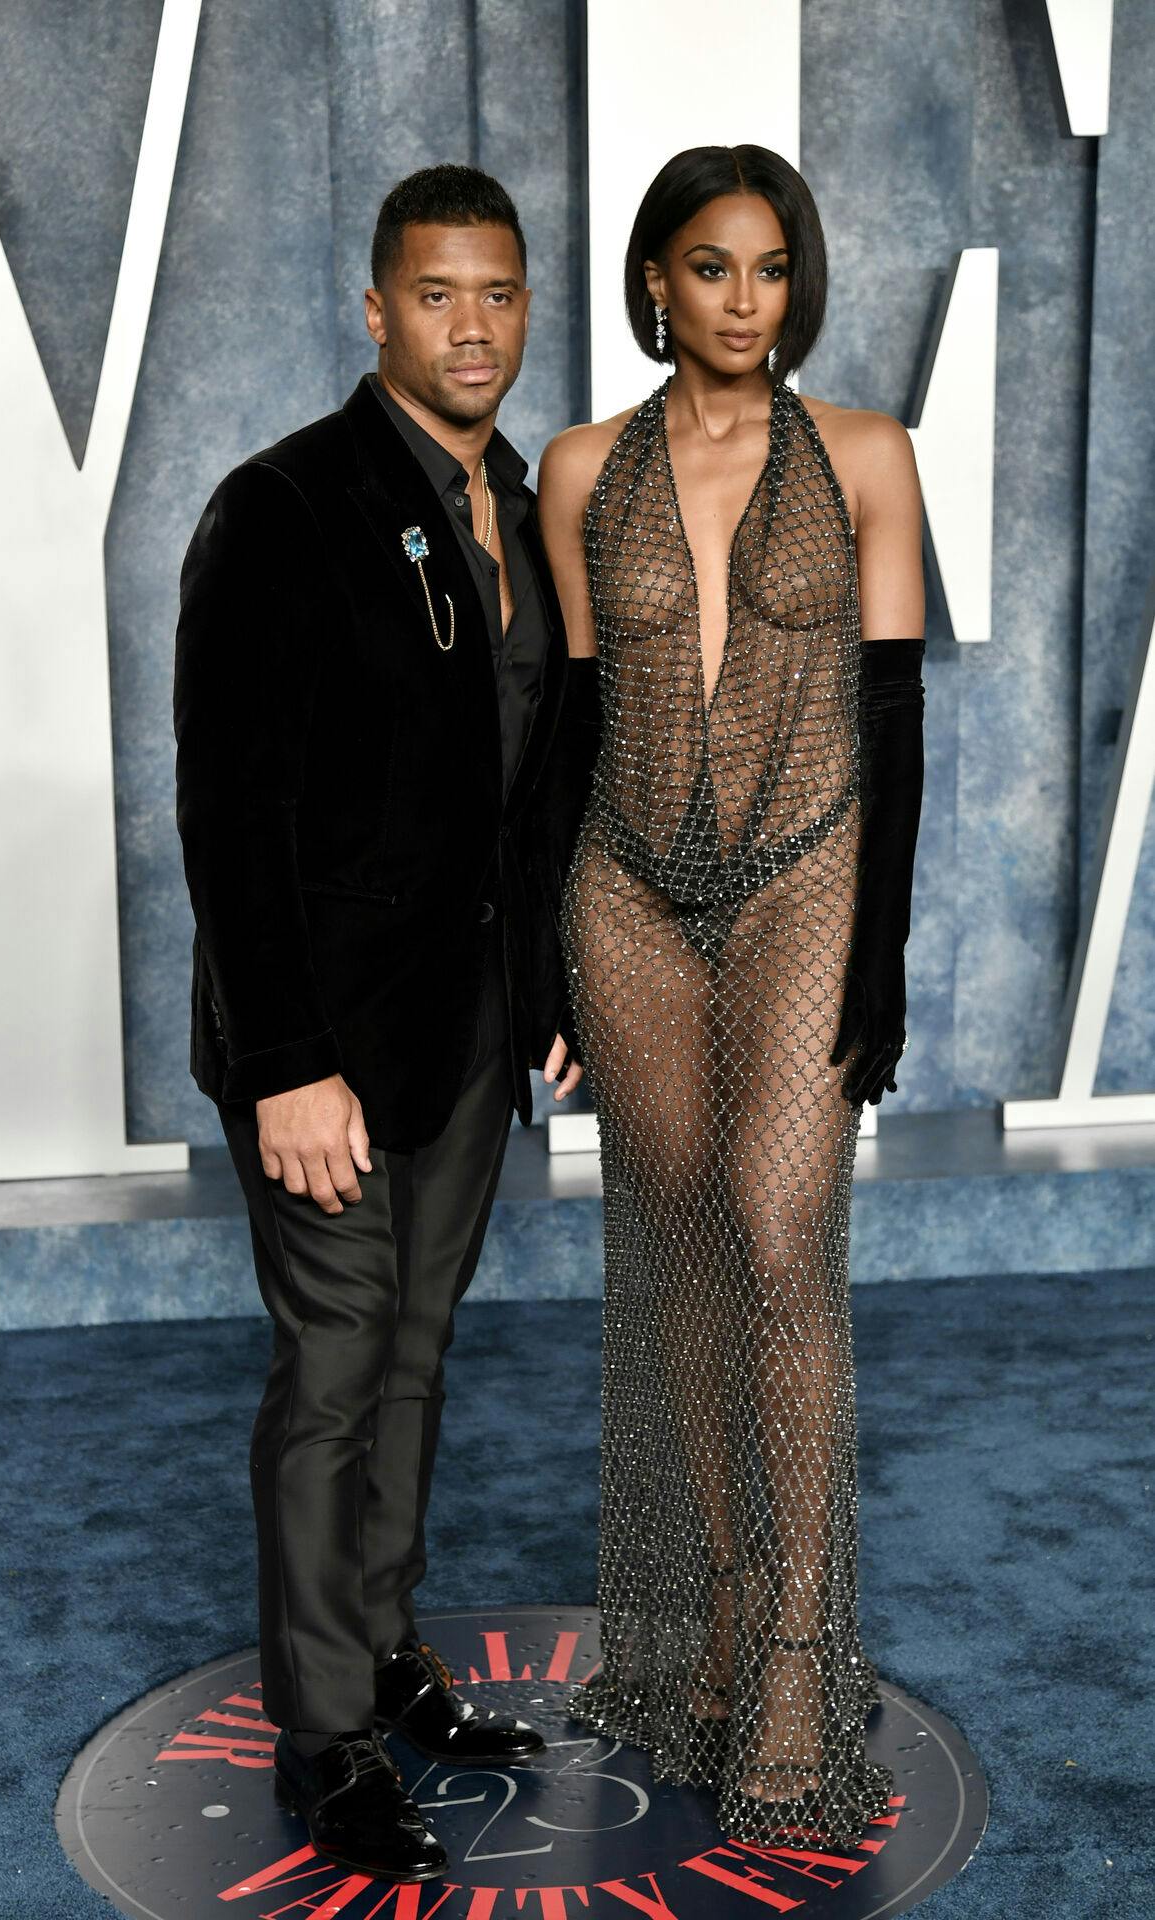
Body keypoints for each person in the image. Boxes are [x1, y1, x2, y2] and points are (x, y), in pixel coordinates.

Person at [174, 163, 583, 1886]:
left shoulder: (517, 510)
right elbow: (226, 809)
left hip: (468, 1029)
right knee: (333, 1374)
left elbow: (524, 789)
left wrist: (547, 992)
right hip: (325, 1049)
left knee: (416, 1358)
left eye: (496, 294)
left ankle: (384, 1650)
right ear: (373, 308)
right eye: (436, 295)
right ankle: (327, 1734)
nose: (471, 326)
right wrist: (282, 1062)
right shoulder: (280, 508)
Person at [538, 144, 925, 1847]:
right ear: (654, 285)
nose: (742, 301)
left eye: (768, 270)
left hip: (804, 876)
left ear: (798, 285)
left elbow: (898, 725)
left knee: (781, 1238)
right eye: (709, 268)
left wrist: (883, 953)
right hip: (619, 888)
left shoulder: (864, 456)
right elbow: (558, 734)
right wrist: (520, 957)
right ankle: (698, 1626)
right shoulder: (571, 471)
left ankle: (787, 1653)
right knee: (681, 1239)